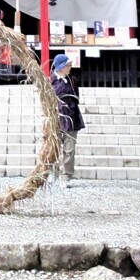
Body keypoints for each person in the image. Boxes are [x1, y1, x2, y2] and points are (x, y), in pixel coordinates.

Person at [50, 53, 85, 187]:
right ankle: (53, 173)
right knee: (54, 148)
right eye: (68, 65)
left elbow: (76, 96)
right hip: (56, 116)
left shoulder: (72, 80)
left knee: (69, 149)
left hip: (71, 116)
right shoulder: (51, 80)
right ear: (61, 67)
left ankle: (66, 176)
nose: (70, 68)